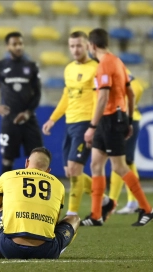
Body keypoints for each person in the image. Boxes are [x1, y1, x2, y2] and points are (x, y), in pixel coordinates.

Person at [83, 28, 153, 226]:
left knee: (119, 166)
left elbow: (103, 98)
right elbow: (131, 93)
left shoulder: (104, 65)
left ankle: (147, 209)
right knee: (96, 165)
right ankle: (96, 214)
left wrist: (92, 126)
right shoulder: (117, 61)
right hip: (113, 119)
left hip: (109, 120)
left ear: (92, 46)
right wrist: (129, 117)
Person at [42, 31, 116, 221]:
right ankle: (106, 201)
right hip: (70, 122)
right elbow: (67, 96)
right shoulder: (68, 69)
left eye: (79, 45)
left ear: (87, 46)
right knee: (69, 171)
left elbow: (101, 97)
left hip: (86, 122)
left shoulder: (96, 68)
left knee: (75, 169)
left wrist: (94, 125)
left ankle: (72, 213)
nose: (75, 49)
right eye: (72, 46)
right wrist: (53, 118)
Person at [0, 147, 80, 259]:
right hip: (46, 250)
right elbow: (54, 224)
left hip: (10, 248)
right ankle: (58, 250)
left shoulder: (8, 176)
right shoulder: (58, 185)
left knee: (1, 205)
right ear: (48, 171)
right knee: (74, 218)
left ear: (27, 162)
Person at [0, 32, 43, 174]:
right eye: (14, 44)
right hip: (9, 119)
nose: (18, 47)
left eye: (20, 44)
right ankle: (3, 195)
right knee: (7, 159)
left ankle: (36, 194)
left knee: (38, 158)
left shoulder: (31, 66)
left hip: (28, 119)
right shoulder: (0, 66)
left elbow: (37, 94)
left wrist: (28, 113)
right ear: (7, 47)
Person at [109, 70, 144, 214]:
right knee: (125, 161)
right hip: (116, 120)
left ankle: (114, 201)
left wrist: (127, 105)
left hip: (125, 120)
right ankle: (133, 201)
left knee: (121, 161)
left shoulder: (119, 71)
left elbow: (137, 88)